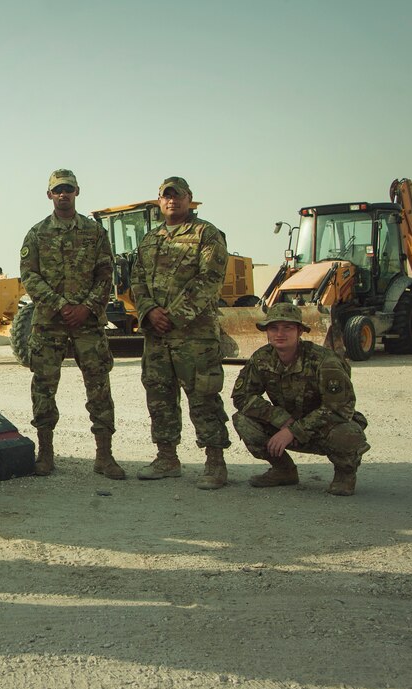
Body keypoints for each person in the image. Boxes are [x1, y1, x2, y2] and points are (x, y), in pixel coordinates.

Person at [19, 169, 124, 479]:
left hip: (88, 323)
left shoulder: (94, 233)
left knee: (99, 386)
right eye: (57, 190)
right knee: (43, 387)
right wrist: (61, 305)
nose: (63, 194)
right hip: (50, 322)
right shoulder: (37, 234)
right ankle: (46, 454)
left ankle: (104, 456)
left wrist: (87, 307)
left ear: (77, 191)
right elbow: (30, 277)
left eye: (68, 188)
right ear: (49, 194)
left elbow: (106, 274)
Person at [130, 176, 231, 490]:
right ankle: (167, 457)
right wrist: (149, 312)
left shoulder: (206, 234)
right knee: (159, 396)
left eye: (178, 195)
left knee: (203, 397)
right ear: (160, 201)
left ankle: (215, 463)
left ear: (190, 199)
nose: (172, 200)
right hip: (157, 336)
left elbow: (209, 281)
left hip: (194, 336)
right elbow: (138, 281)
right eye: (166, 196)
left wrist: (173, 316)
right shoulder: (150, 240)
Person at [232, 303, 370, 495]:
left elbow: (340, 408)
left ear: (299, 332)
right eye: (273, 328)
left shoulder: (324, 361)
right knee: (243, 420)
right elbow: (241, 397)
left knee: (347, 433)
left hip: (322, 429)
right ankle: (284, 470)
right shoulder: (261, 358)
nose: (280, 333)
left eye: (287, 327)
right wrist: (279, 418)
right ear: (267, 332)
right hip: (285, 425)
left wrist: (294, 430)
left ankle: (344, 474)